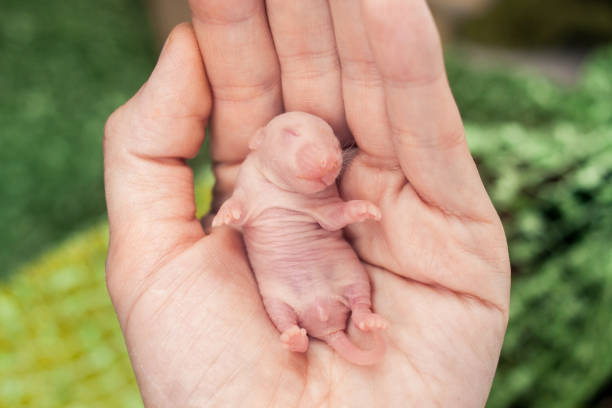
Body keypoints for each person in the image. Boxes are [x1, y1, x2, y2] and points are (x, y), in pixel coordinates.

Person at [103, 0, 510, 406]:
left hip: (323, 272)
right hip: (289, 284)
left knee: (334, 282)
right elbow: (243, 207)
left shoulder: (317, 193)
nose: (325, 158)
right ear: (258, 141)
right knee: (278, 299)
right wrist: (233, 212)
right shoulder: (250, 178)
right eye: (295, 138)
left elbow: (328, 217)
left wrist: (349, 210)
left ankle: (357, 312)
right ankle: (299, 327)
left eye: (332, 147)